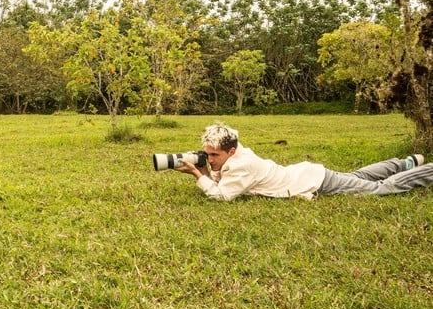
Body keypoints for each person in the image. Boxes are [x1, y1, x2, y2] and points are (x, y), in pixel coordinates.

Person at [175, 122, 433, 201]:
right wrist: (205, 171)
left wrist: (200, 176)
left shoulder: (244, 164)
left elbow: (222, 196)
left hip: (316, 181)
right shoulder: (238, 156)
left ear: (230, 151)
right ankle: (406, 162)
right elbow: (224, 181)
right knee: (360, 176)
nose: (209, 159)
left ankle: (425, 170)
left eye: (213, 156)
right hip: (307, 174)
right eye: (207, 154)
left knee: (380, 189)